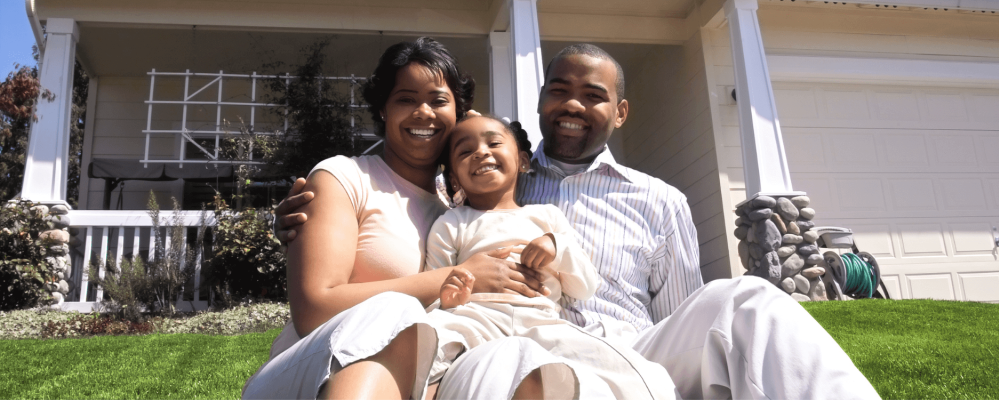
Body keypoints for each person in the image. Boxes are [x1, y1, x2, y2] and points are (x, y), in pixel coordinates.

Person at [276, 42, 880, 400]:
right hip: (512, 343)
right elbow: (401, 231)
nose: (571, 104)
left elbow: (680, 314)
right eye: (558, 90)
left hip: (636, 347)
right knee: (511, 367)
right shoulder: (485, 185)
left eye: (592, 95)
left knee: (747, 301)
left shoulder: (661, 199)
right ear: (537, 106)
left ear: (619, 112)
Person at [242, 37, 583, 400]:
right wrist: (456, 276)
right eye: (406, 99)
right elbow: (314, 309)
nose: (423, 112)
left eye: (439, 101)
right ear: (383, 110)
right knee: (395, 312)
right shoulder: (343, 178)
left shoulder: (454, 219)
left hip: (408, 379)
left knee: (513, 361)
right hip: (314, 372)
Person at [421, 115, 677, 399]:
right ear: (454, 178)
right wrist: (448, 300)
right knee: (425, 346)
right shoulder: (451, 223)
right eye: (465, 151)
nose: (481, 152)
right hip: (475, 317)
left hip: (540, 321)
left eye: (493, 143)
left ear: (522, 161)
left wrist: (557, 248)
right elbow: (434, 286)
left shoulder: (546, 216)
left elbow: (584, 287)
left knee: (629, 371)